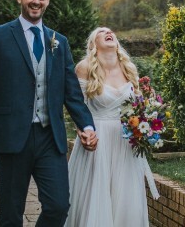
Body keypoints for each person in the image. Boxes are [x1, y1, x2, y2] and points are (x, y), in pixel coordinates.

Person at [0, 0, 98, 227]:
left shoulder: (60, 42)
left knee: (58, 206)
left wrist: (87, 126)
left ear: (48, 0)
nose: (36, 1)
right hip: (11, 137)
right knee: (11, 213)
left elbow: (72, 93)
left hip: (49, 137)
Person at [65, 27, 159, 227]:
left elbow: (138, 107)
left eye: (110, 31)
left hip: (125, 142)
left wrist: (146, 123)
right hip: (97, 140)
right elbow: (76, 106)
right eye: (101, 32)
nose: (108, 32)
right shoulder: (84, 67)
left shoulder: (129, 68)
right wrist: (83, 131)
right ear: (93, 44)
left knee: (126, 196)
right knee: (96, 196)